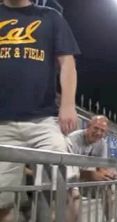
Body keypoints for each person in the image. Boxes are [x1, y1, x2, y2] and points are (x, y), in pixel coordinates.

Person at [0, 0, 80, 221]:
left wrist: (68, 104)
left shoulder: (50, 17)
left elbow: (67, 63)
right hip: (2, 124)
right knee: (2, 202)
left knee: (67, 193)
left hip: (43, 120)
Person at [67, 115, 117, 220]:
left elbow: (101, 169)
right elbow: (66, 170)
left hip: (84, 179)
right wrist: (89, 174)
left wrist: (109, 175)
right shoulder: (73, 139)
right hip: (68, 179)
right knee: (75, 196)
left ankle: (111, 220)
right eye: (96, 128)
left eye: (102, 131)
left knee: (109, 190)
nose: (98, 133)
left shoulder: (102, 144)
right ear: (88, 126)